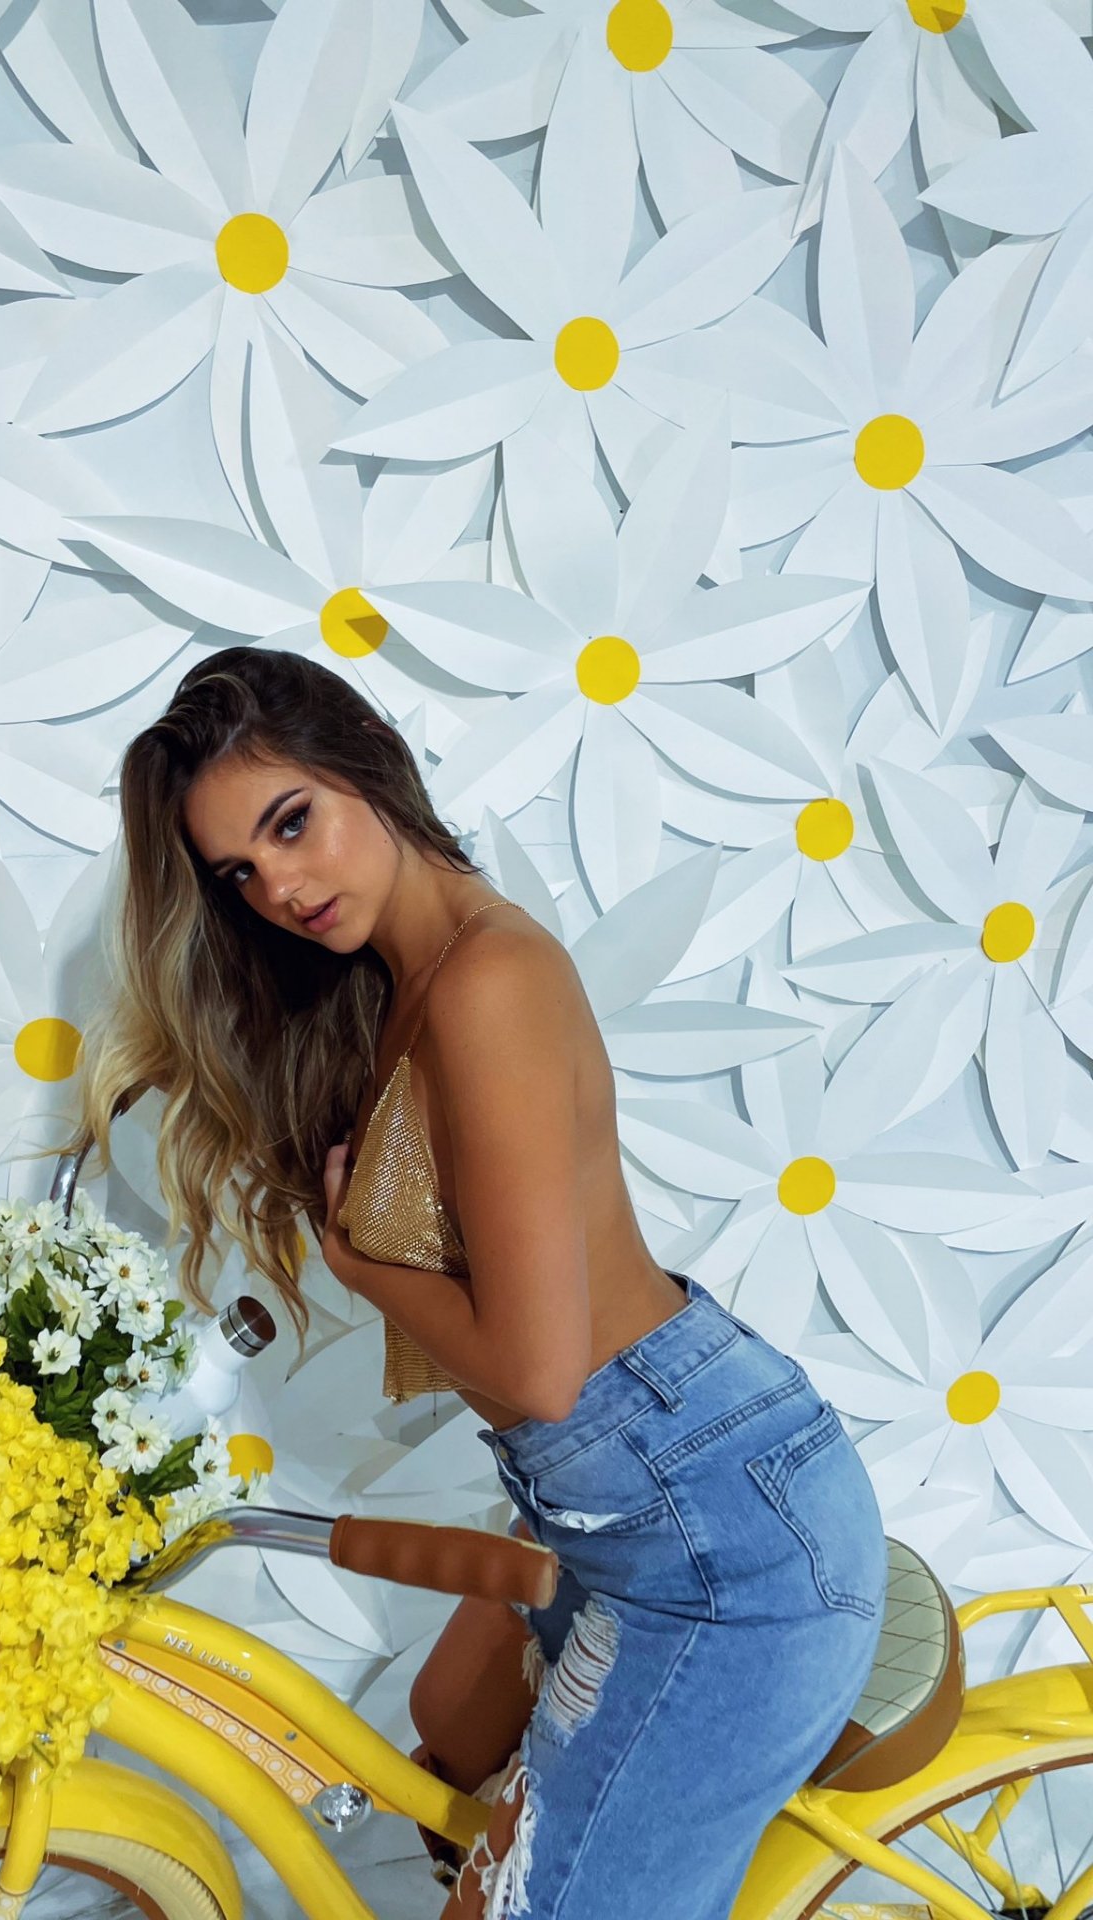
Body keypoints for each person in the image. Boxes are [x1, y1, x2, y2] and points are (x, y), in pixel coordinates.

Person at [60, 646, 888, 1920]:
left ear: (365, 766)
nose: (280, 887)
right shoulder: (402, 984)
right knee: (444, 1739)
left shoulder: (486, 982)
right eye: (239, 874)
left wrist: (357, 1267)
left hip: (716, 1537)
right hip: (619, 1496)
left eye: (293, 823)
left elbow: (540, 1375)